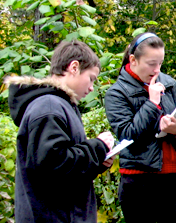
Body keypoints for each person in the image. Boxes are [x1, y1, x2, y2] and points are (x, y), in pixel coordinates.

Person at [6, 40, 115, 222]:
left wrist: (97, 161)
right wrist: (97, 147)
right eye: (91, 78)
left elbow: (66, 170)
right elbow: (53, 167)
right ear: (74, 67)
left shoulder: (60, 105)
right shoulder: (48, 107)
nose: (91, 88)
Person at [104, 33, 176, 223]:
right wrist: (152, 103)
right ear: (133, 60)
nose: (157, 70)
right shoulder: (116, 93)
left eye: (160, 64)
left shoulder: (168, 83)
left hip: (174, 179)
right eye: (151, 63)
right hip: (138, 182)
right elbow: (128, 135)